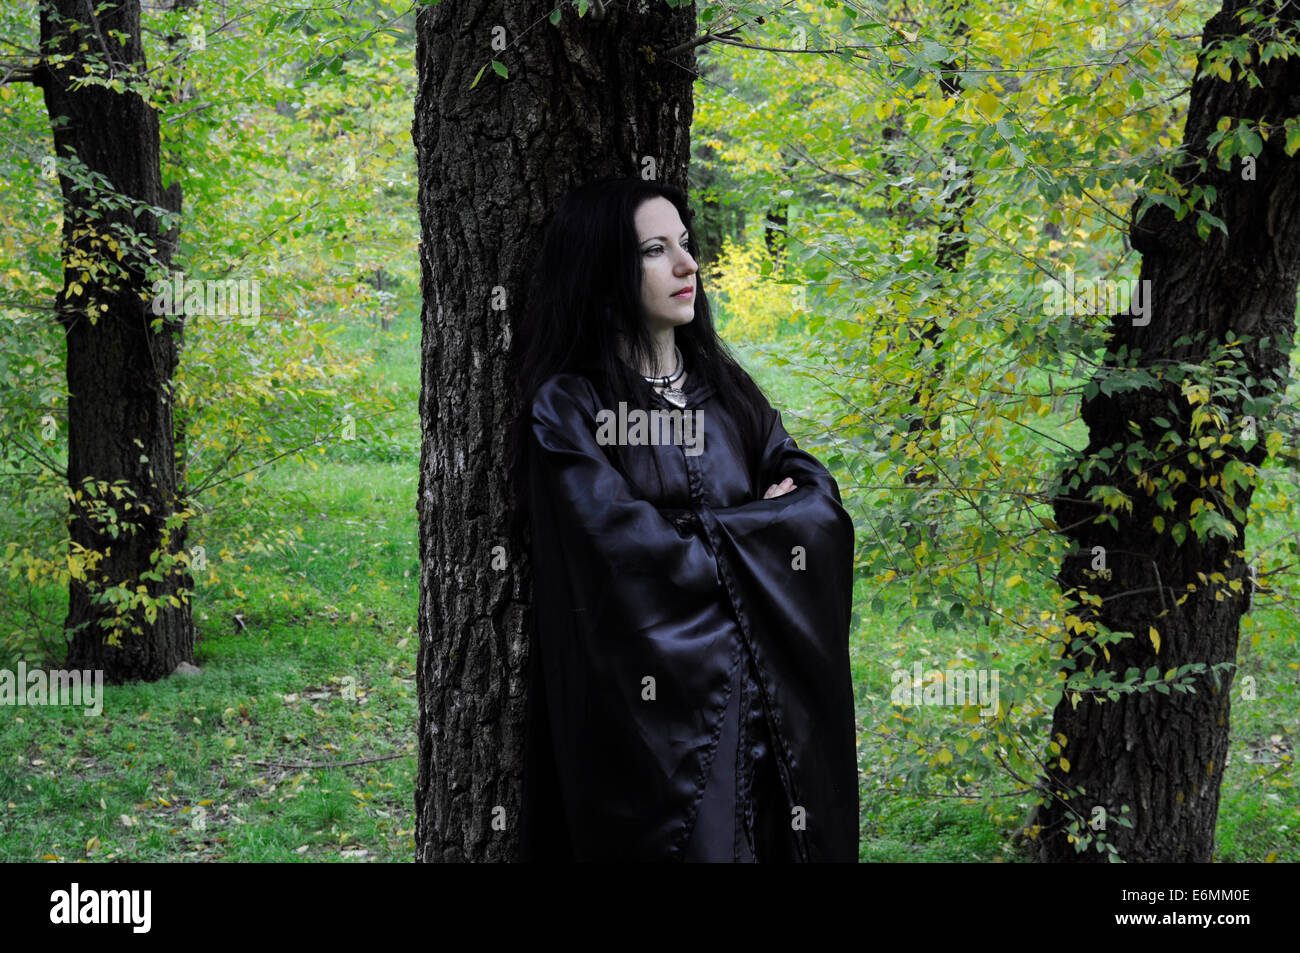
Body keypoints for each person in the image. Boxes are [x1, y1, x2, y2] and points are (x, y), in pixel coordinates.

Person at [508, 176, 858, 862]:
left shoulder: (728, 392)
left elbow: (819, 508)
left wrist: (732, 534)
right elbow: (624, 555)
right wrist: (761, 525)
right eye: (655, 250)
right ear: (606, 271)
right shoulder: (572, 408)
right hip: (657, 732)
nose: (687, 265)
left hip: (771, 708)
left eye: (687, 245)